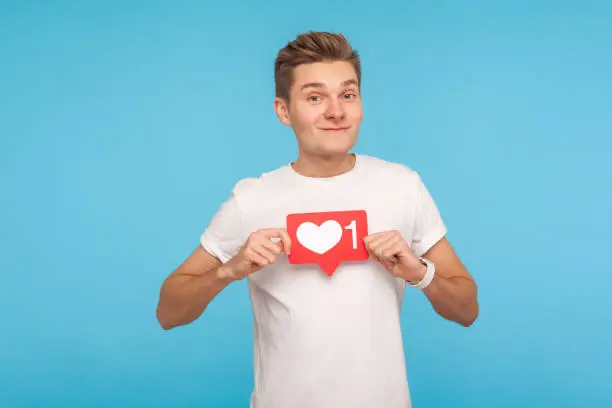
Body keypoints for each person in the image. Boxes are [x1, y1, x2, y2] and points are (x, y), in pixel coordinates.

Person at [156, 31, 479, 408]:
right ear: (283, 111)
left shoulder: (402, 186)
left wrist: (418, 271)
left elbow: (467, 308)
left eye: (347, 94)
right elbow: (168, 312)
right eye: (314, 97)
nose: (336, 111)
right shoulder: (252, 198)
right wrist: (231, 268)